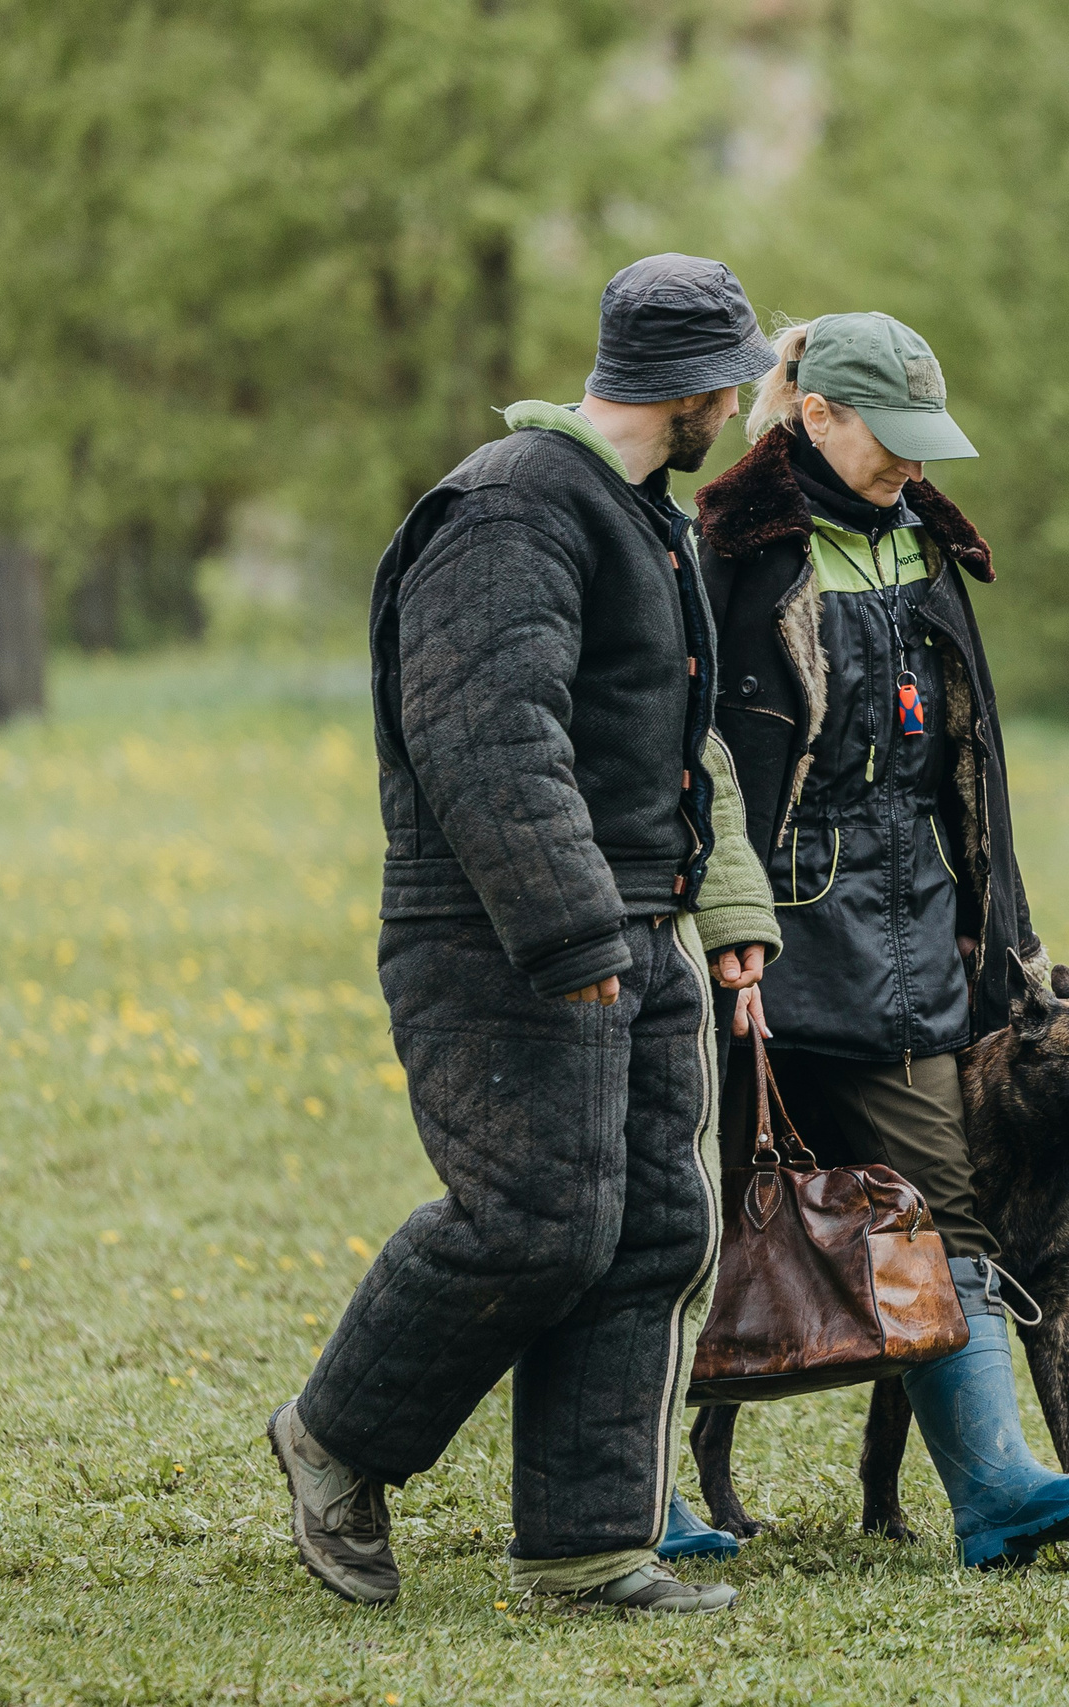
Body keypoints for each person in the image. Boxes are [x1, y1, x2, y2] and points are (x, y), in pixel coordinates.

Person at [265, 254, 785, 1616]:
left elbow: (673, 744)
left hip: (639, 923)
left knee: (653, 1225)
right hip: (506, 933)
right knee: (536, 1224)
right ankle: (334, 1436)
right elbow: (486, 734)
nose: (732, 411)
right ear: (699, 384)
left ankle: (586, 1544)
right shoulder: (512, 509)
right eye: (728, 387)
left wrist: (712, 909)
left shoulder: (636, 511)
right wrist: (568, 927)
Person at [682, 311, 1069, 1568]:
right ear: (816, 415)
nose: (914, 468)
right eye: (895, 441)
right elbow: (694, 759)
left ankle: (997, 1495)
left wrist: (1010, 946)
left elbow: (972, 766)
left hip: (913, 949)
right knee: (698, 1221)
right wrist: (719, 925)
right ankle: (647, 1492)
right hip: (753, 947)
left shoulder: (922, 544)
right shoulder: (728, 547)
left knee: (948, 1215)